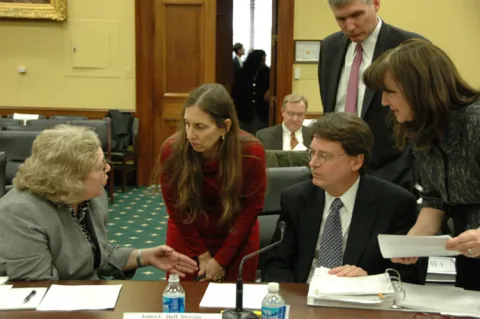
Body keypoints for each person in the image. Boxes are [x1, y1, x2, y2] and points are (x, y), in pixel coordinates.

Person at [0, 125, 197, 280]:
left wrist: (144, 256)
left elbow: (94, 254)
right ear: (71, 178)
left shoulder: (91, 197)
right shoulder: (20, 213)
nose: (109, 168)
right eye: (100, 166)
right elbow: (38, 286)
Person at [363, 38, 480, 291]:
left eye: (390, 91)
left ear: (419, 89)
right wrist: (411, 244)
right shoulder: (423, 130)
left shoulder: (475, 122)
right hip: (470, 262)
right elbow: (434, 200)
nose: (383, 102)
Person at [262, 112, 424, 284]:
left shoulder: (394, 203)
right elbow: (276, 264)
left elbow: (408, 274)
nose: (313, 163)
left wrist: (370, 281)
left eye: (324, 156)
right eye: (312, 153)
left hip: (361, 302)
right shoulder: (296, 199)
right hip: (304, 296)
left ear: (356, 162)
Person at [154, 83, 267, 282]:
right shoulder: (172, 150)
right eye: (187, 123)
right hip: (188, 232)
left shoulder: (251, 152)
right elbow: (176, 209)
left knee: (235, 303)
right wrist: (202, 254)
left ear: (225, 127)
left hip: (236, 236)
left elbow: (251, 209)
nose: (190, 134)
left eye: (200, 127)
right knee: (184, 302)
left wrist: (222, 260)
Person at [318, 0, 425, 191]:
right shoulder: (329, 47)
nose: (349, 26)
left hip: (393, 175)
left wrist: (407, 172)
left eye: (357, 15)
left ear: (375, 4)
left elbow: (425, 116)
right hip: (338, 172)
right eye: (341, 18)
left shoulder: (409, 46)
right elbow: (330, 109)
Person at [232, 49, 270, 135]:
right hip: (244, 113)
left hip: (261, 113)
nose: (263, 63)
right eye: (262, 60)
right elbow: (236, 92)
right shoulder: (242, 73)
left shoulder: (267, 72)